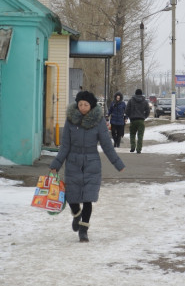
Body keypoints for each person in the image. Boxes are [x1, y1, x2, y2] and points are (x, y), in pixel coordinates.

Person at [50, 90, 125, 243]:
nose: (83, 107)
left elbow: (106, 145)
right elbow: (65, 145)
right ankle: (76, 214)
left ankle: (83, 231)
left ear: (91, 106)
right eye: (80, 104)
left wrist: (117, 163)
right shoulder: (71, 120)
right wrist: (56, 164)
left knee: (88, 198)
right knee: (72, 196)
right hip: (73, 162)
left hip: (92, 163)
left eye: (86, 105)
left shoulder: (98, 122)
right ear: (77, 105)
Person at [125, 89, 150, 154]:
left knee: (132, 134)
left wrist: (130, 116)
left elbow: (127, 110)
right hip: (141, 120)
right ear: (141, 94)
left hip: (133, 120)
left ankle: (133, 147)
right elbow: (148, 111)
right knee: (140, 135)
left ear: (135, 93)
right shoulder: (145, 101)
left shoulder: (131, 101)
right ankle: (139, 149)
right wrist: (144, 117)